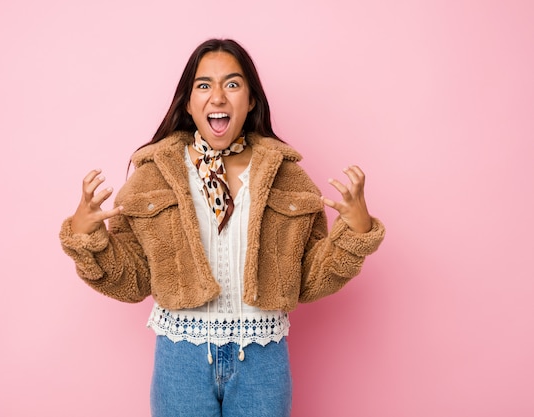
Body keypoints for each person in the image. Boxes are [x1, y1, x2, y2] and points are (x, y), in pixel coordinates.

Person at [59, 38, 385, 417]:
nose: (218, 96)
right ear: (188, 102)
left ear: (251, 101)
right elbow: (132, 279)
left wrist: (354, 235)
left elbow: (308, 280)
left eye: (232, 84)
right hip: (181, 357)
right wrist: (87, 239)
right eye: (203, 85)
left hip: (262, 358)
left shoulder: (288, 177)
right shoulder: (152, 176)